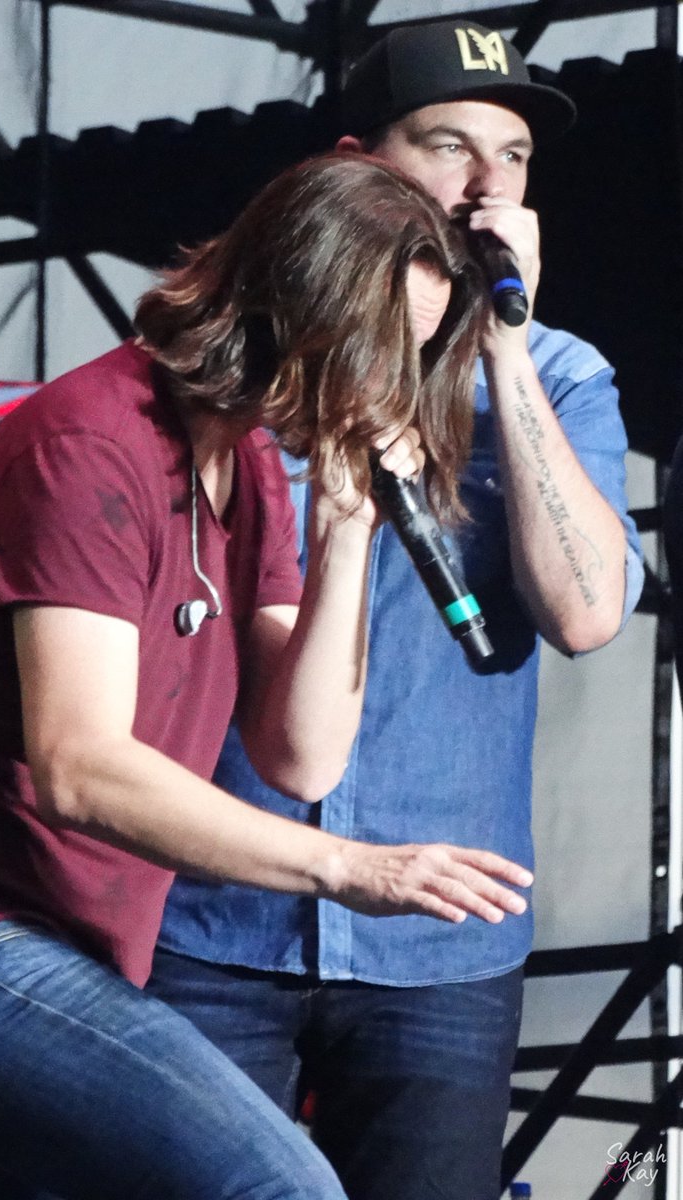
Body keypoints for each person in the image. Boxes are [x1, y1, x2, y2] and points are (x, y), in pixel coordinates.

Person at [0, 155, 532, 1200]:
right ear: (301, 301)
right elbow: (82, 768)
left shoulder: (243, 464)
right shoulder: (88, 443)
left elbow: (300, 752)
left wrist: (344, 535)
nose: (387, 390)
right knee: (280, 1188)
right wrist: (351, 868)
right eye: (380, 352)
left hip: (75, 959)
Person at [149, 21, 646, 1200]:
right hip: (218, 915)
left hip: (438, 942)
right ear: (354, 167)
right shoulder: (241, 376)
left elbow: (584, 616)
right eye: (448, 145)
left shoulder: (561, 374)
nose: (484, 187)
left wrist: (505, 354)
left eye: (511, 158)